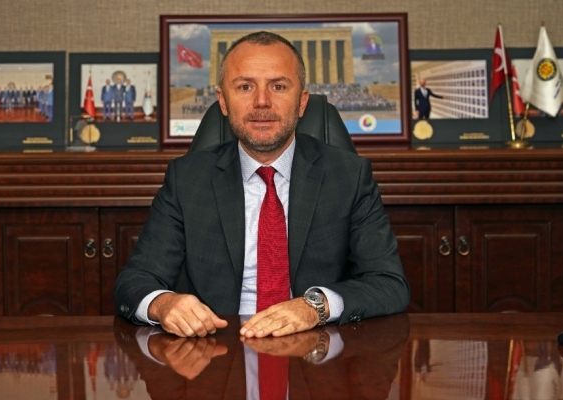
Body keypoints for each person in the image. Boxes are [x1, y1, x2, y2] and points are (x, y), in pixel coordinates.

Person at [113, 31, 409, 339]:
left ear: (302, 102)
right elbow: (134, 281)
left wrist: (315, 306)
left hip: (315, 348)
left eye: (278, 86)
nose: (262, 102)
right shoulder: (186, 179)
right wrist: (163, 304)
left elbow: (388, 284)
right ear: (223, 101)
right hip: (216, 347)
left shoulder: (348, 176)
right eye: (245, 87)